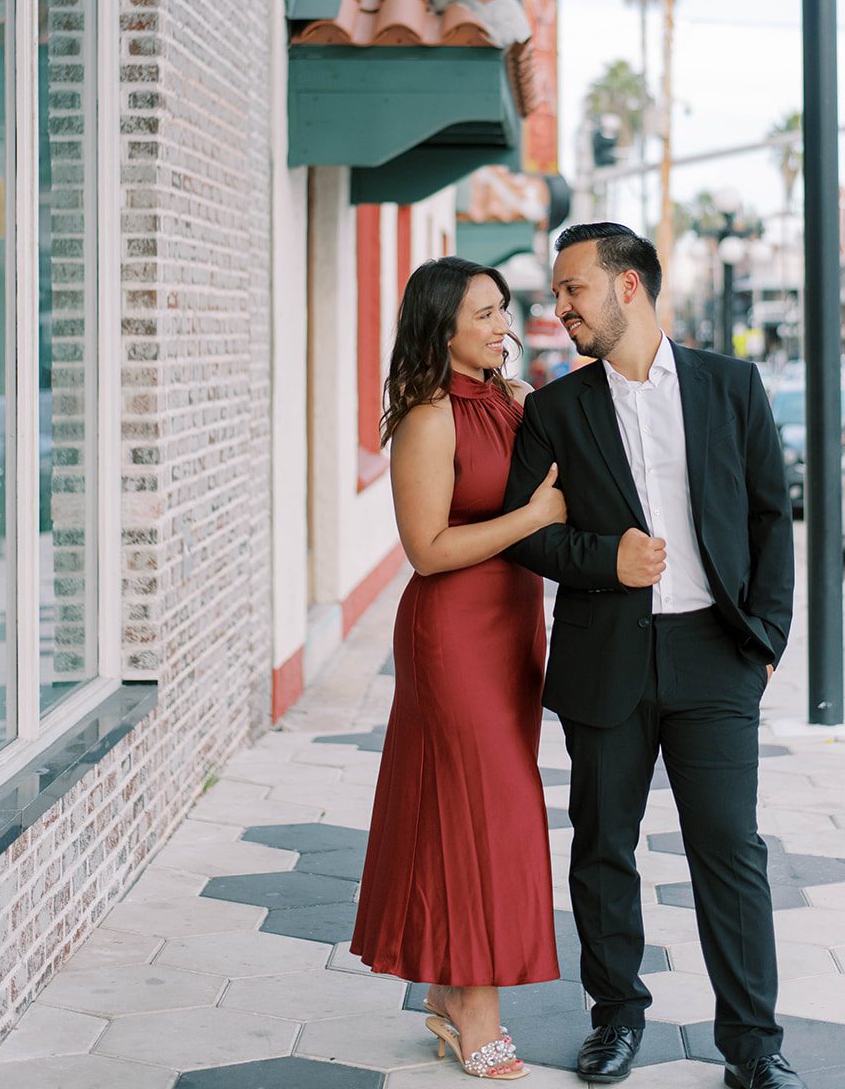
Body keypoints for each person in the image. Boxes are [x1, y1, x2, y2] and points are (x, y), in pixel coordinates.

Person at [503, 223, 805, 1089]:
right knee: (603, 846)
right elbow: (530, 537)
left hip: (716, 654)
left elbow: (767, 516)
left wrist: (767, 639)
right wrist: (608, 560)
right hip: (606, 654)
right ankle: (616, 1018)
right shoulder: (556, 409)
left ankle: (753, 1046)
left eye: (573, 290)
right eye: (558, 295)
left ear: (627, 287)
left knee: (729, 851)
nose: (558, 309)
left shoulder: (731, 386)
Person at [351, 257, 565, 1081]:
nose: (501, 325)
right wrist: (533, 514)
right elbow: (428, 550)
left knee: (475, 812)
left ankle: (445, 991)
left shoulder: (516, 403)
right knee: (488, 815)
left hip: (515, 627)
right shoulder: (428, 417)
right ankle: (478, 1010)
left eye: (504, 310)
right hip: (452, 634)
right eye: (484, 313)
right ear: (441, 326)